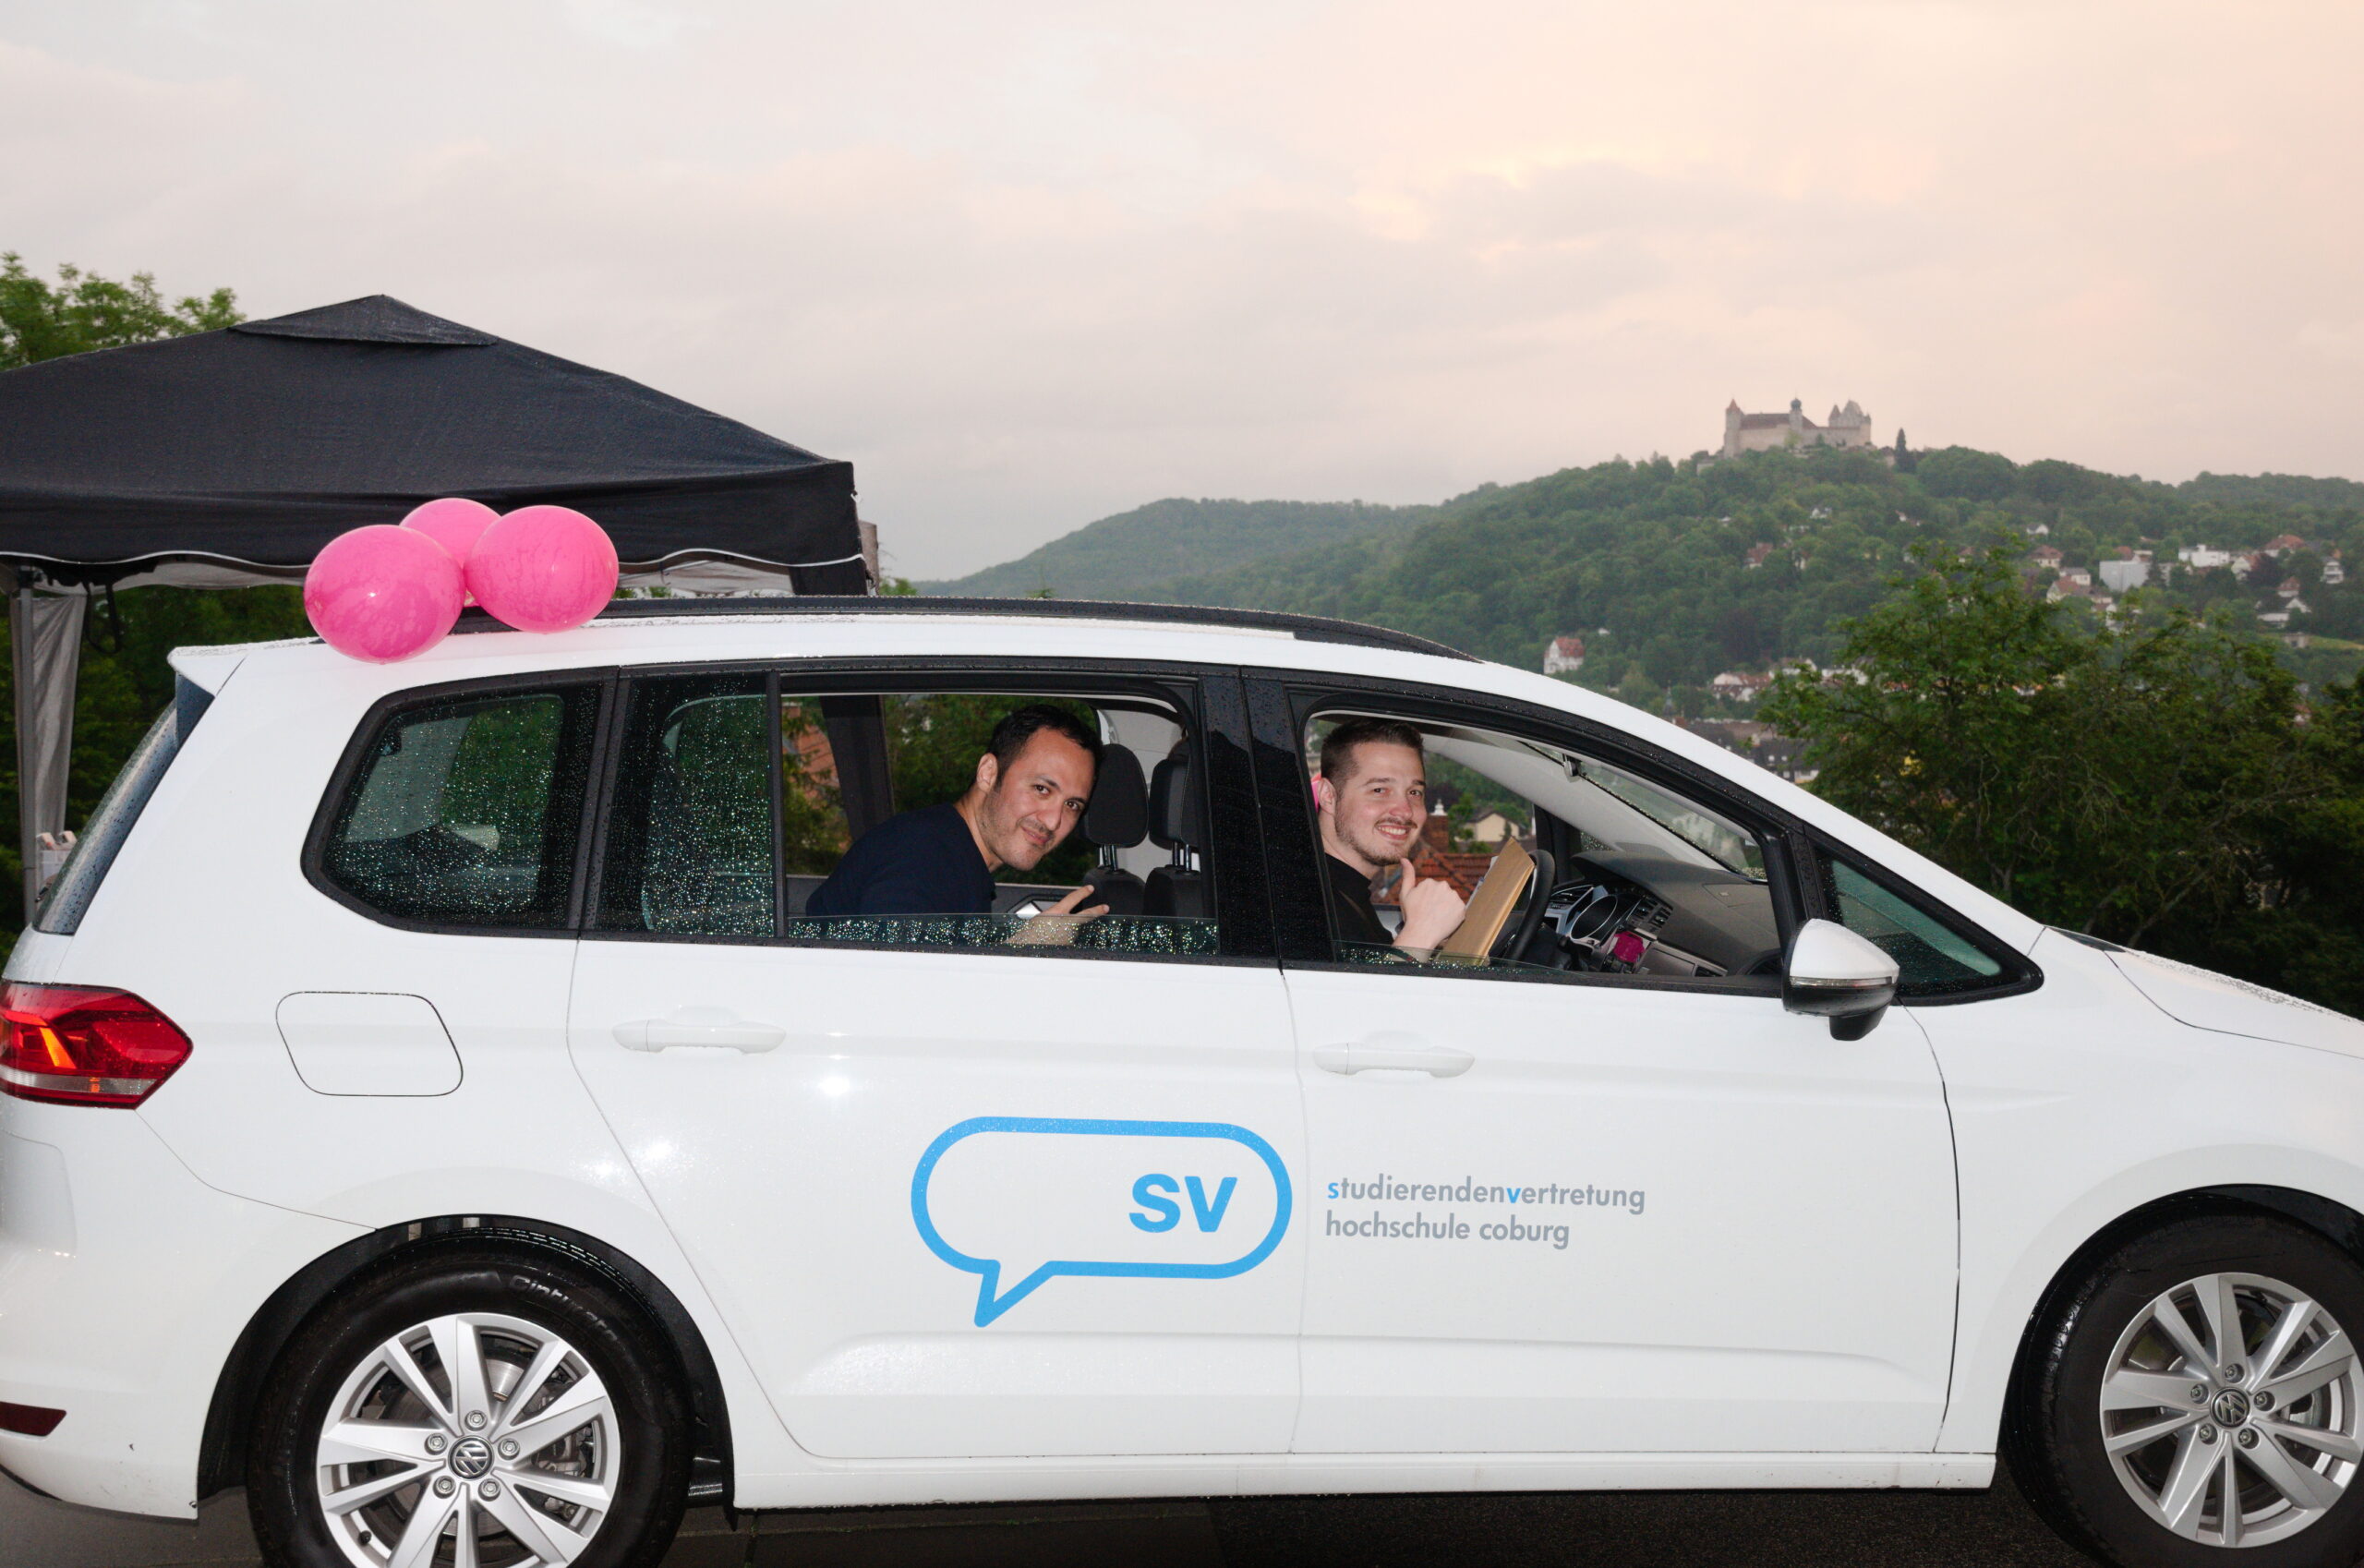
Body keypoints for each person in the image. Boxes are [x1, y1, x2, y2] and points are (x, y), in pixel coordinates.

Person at [804, 705, 1108, 922]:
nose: (1054, 821)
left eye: (1072, 805)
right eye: (1041, 789)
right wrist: (1025, 948)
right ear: (988, 773)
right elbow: (897, 994)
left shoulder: (951, 854)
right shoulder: (922, 858)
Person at [1313, 718, 1467, 956]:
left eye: (1414, 792)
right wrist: (1420, 935)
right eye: (1379, 790)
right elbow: (1360, 995)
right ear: (1328, 796)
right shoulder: (1303, 902)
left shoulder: (1344, 895)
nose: (1405, 811)